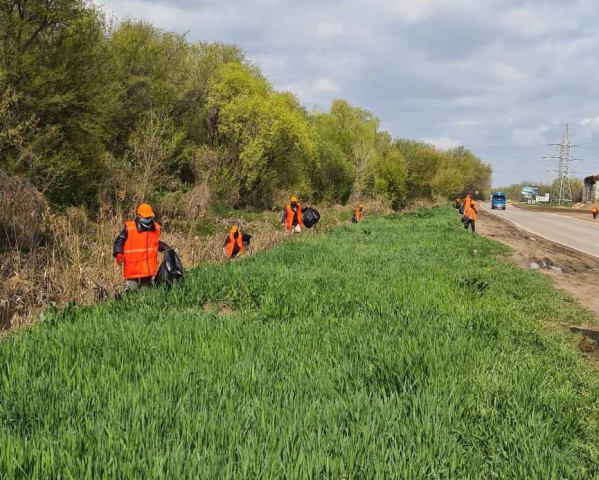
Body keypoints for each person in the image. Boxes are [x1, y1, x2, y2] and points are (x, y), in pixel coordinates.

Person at [113, 204, 171, 291]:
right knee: (132, 292)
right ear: (138, 216)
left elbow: (154, 243)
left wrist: (165, 247)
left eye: (149, 217)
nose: (148, 219)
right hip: (133, 268)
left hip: (147, 269)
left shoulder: (155, 228)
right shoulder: (130, 228)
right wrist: (118, 253)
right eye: (146, 217)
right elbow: (119, 241)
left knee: (146, 292)